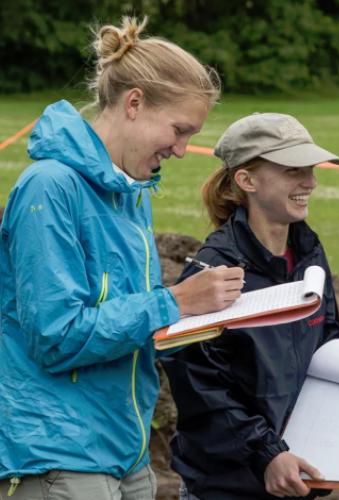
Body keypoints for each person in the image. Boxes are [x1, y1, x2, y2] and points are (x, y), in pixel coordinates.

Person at [0, 16, 245, 500]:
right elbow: (56, 335)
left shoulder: (131, 194)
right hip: (61, 454)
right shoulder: (50, 187)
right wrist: (174, 303)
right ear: (134, 103)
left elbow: (127, 323)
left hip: (125, 452)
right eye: (179, 130)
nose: (181, 150)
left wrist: (209, 321)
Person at [162, 113, 339, 500]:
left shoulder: (308, 251)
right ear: (247, 180)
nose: (310, 182)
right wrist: (267, 454)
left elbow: (327, 347)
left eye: (310, 169)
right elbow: (202, 389)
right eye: (293, 170)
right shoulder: (213, 273)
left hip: (299, 477)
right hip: (228, 487)